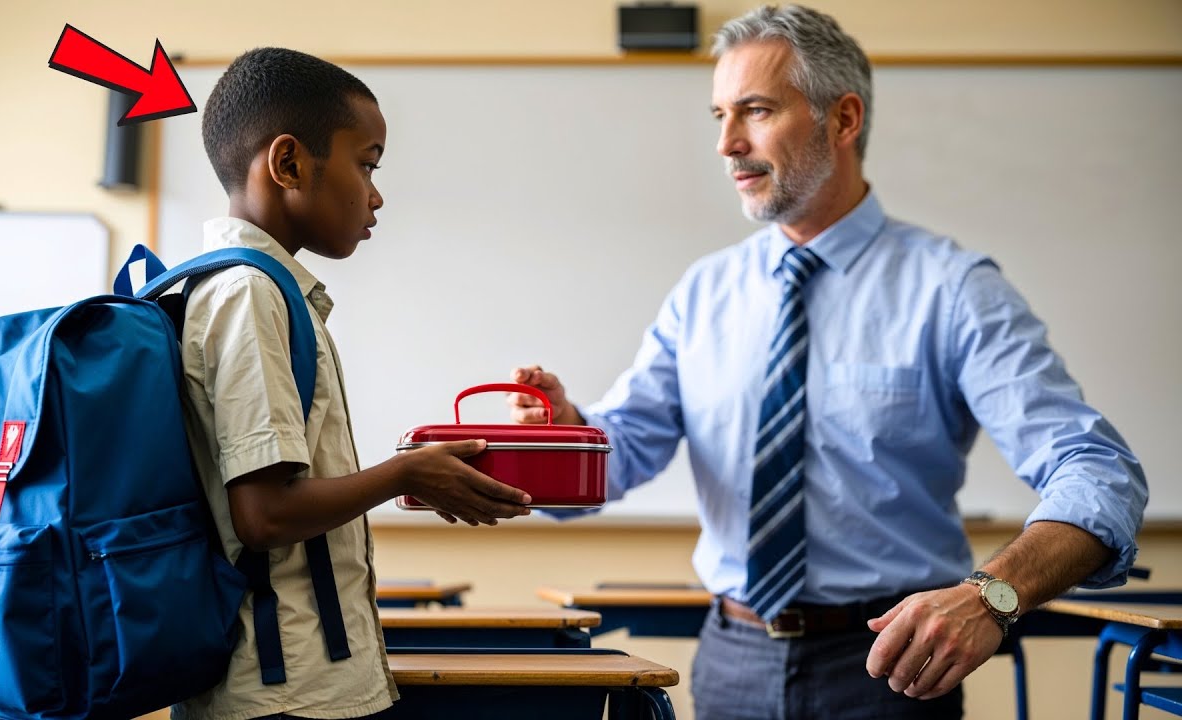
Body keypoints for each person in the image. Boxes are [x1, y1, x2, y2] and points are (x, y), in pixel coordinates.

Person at [506, 5, 1147, 719]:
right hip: (728, 661)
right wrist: (565, 435)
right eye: (719, 113)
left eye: (754, 110)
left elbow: (1099, 473)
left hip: (891, 670)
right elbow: (621, 453)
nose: (726, 143)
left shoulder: (954, 290)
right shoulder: (704, 294)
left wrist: (991, 595)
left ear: (843, 121)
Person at [174, 48, 532, 720]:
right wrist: (406, 474)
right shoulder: (249, 296)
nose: (376, 193)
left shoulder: (266, 291)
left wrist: (412, 474)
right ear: (288, 165)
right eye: (365, 164)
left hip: (297, 684)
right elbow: (264, 515)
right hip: (286, 695)